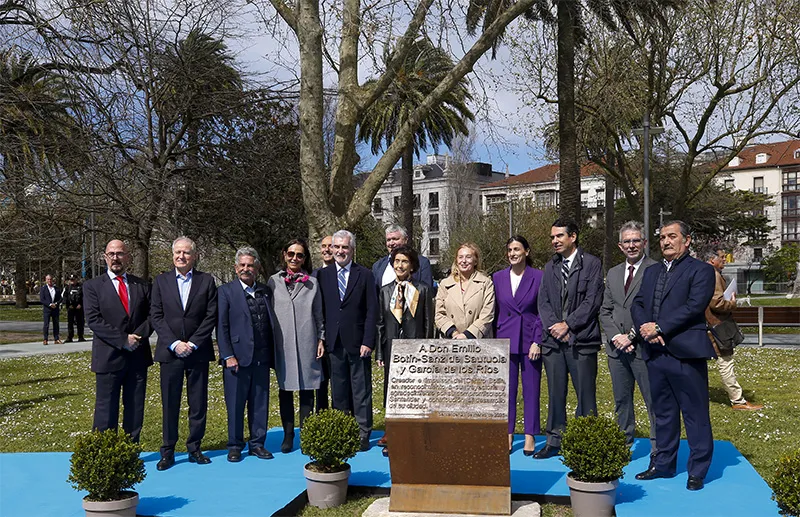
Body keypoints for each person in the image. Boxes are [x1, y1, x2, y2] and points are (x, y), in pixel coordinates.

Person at [631, 221, 716, 491]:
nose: (666, 241)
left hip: (686, 353)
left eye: (672, 236)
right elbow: (638, 303)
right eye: (662, 237)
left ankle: (697, 471)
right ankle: (664, 465)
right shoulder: (652, 271)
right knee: (664, 413)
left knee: (695, 414)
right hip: (655, 352)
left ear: (687, 240)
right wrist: (647, 329)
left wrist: (660, 326)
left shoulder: (701, 270)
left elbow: (694, 306)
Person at [534, 218, 603, 459]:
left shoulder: (592, 264)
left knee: (585, 394)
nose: (554, 241)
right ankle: (554, 440)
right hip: (553, 342)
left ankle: (586, 442)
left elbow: (592, 301)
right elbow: (542, 301)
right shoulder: (549, 267)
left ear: (573, 237)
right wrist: (554, 326)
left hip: (581, 341)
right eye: (552, 237)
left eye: (559, 236)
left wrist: (568, 325)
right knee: (555, 393)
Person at [151, 237, 218, 470]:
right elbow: (156, 316)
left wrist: (194, 343)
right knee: (170, 403)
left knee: (198, 404)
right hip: (170, 353)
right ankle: (168, 451)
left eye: (186, 253)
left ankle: (195, 447)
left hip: (197, 353)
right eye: (178, 252)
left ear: (194, 256)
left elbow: (211, 316)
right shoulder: (160, 281)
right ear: (172, 255)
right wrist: (174, 343)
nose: (181, 256)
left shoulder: (206, 281)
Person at [598, 221, 658, 462]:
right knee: (621, 400)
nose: (631, 245)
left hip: (643, 347)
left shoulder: (655, 269)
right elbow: (605, 310)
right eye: (627, 241)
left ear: (644, 243)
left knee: (652, 400)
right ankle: (624, 443)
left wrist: (632, 335)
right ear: (620, 246)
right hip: (616, 350)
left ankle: (658, 448)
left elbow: (654, 309)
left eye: (636, 240)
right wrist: (616, 337)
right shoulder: (612, 273)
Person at [83, 240, 152, 442]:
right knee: (106, 410)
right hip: (108, 357)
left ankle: (131, 450)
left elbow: (153, 316)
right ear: (105, 257)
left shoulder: (142, 285)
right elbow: (94, 320)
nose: (115, 258)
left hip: (137, 357)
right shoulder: (92, 287)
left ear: (128, 257)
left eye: (120, 253)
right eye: (111, 254)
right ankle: (105, 452)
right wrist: (123, 340)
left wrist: (135, 338)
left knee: (135, 408)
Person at [317, 230, 378, 451]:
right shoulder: (322, 276)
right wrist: (321, 338)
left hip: (358, 341)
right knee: (339, 390)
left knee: (361, 389)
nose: (341, 251)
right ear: (331, 249)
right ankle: (343, 429)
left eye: (345, 247)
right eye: (337, 247)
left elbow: (372, 310)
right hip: (334, 342)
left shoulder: (365, 275)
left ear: (352, 250)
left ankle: (363, 431)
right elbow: (320, 310)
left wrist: (368, 341)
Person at [217, 247, 276, 462]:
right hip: (237, 358)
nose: (245, 269)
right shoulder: (225, 292)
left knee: (260, 403)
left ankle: (257, 444)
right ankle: (234, 445)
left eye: (250, 265)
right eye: (242, 265)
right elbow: (221, 326)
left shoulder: (265, 291)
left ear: (257, 268)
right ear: (235, 268)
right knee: (235, 404)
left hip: (261, 357)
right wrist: (227, 355)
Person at [267, 239, 325, 453]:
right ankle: (288, 435)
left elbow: (319, 314)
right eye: (291, 254)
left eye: (299, 255)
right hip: (283, 344)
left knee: (307, 390)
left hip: (307, 340)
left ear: (305, 258)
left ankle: (307, 434)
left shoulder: (313, 283)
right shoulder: (273, 281)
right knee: (286, 389)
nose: (294, 258)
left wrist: (321, 339)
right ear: (284, 255)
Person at [375, 245, 435, 455]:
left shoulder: (423, 290)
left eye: (405, 262)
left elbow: (428, 322)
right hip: (392, 349)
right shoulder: (384, 291)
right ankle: (394, 436)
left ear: (412, 266)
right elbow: (380, 324)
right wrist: (380, 353)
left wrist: (428, 350)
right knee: (393, 394)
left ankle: (416, 435)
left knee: (415, 393)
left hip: (416, 350)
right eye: (397, 262)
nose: (400, 265)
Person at [493, 236, 544, 455]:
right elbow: (493, 311)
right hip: (504, 339)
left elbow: (544, 310)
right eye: (510, 250)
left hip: (530, 339)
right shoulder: (497, 278)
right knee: (507, 391)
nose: (513, 253)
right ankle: (507, 433)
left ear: (527, 251)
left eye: (517, 249)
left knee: (531, 390)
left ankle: (530, 435)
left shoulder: (539, 277)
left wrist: (538, 341)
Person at [705, 248, 763, 411]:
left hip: (710, 326)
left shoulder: (705, 273)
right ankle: (737, 400)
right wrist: (732, 302)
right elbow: (716, 303)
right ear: (712, 259)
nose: (725, 260)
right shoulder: (713, 275)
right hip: (718, 326)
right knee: (726, 362)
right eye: (722, 258)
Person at [435, 242, 495, 340]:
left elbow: (487, 314)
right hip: (451, 341)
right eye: (460, 257)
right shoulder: (444, 284)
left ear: (475, 261)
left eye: (468, 257)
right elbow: (439, 314)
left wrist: (467, 335)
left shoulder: (486, 283)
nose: (464, 261)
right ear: (456, 260)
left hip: (478, 342)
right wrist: (453, 333)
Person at [372, 224, 434, 289]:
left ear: (405, 240)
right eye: (388, 240)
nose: (391, 243)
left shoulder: (422, 263)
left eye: (395, 239)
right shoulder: (377, 266)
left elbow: (427, 291)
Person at [313, 235, 334, 411]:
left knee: (338, 383)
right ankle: (321, 417)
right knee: (320, 383)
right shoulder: (313, 276)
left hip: (338, 337)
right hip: (318, 337)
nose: (327, 249)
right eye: (324, 246)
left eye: (330, 246)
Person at [40, 274, 63, 345]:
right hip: (47, 309)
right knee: (46, 325)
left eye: (50, 279)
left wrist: (56, 304)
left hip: (55, 309)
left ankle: (56, 339)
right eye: (48, 279)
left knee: (56, 324)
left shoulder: (56, 289)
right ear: (46, 280)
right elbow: (42, 299)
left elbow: (60, 298)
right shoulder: (43, 289)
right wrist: (49, 304)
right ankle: (45, 339)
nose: (49, 281)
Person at [63, 276, 85, 342]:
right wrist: (68, 305)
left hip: (79, 307)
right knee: (70, 323)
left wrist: (81, 304)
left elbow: (84, 296)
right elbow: (65, 297)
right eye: (71, 280)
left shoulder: (81, 287)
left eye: (73, 280)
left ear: (76, 280)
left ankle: (80, 336)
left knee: (80, 322)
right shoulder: (67, 288)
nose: (72, 281)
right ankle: (70, 337)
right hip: (71, 308)